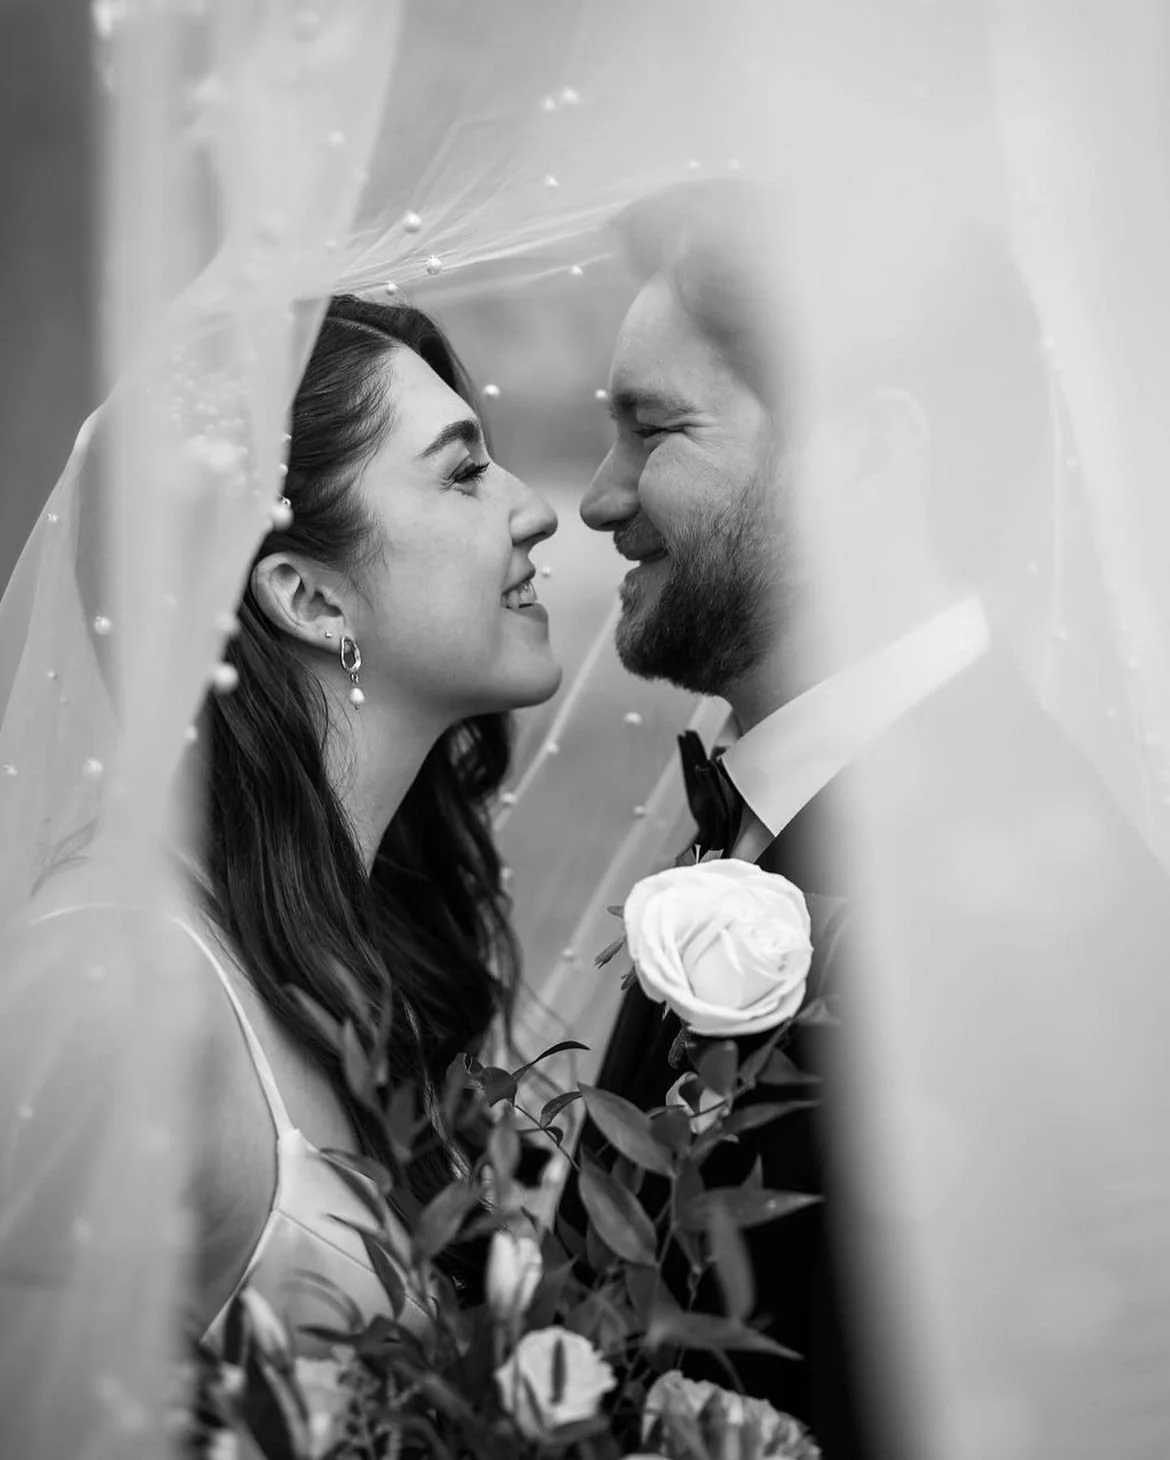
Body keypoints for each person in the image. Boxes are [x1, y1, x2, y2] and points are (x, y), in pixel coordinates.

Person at [577, 178, 1170, 1456]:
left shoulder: (1021, 907)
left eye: (653, 428)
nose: (598, 497)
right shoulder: (747, 818)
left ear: (871, 454)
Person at [10, 295, 560, 1351]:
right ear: (309, 597)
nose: (533, 509)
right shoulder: (117, 990)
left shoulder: (359, 952)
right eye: (462, 470)